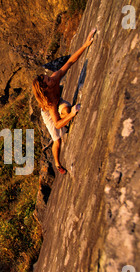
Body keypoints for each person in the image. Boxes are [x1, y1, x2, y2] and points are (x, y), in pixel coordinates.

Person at [32, 28, 96, 175]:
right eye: (48, 80)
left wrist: (85, 45)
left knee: (66, 111)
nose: (52, 79)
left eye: (49, 77)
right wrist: (73, 114)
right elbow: (57, 123)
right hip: (49, 112)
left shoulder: (54, 78)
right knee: (58, 140)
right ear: (45, 89)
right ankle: (57, 163)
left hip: (59, 100)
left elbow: (70, 62)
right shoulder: (49, 103)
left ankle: (68, 113)